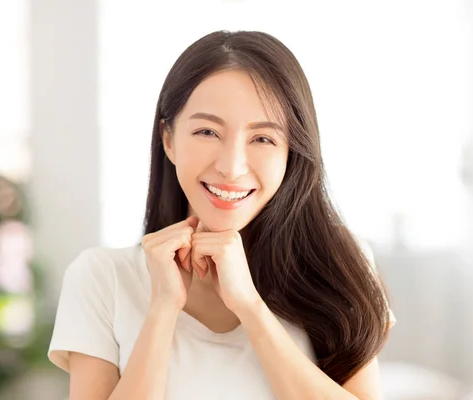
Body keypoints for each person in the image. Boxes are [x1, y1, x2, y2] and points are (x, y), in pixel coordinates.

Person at [48, 30, 395, 400]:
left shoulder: (339, 262)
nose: (231, 167)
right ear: (168, 139)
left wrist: (249, 306)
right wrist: (163, 308)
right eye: (207, 131)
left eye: (263, 138)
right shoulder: (102, 277)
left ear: (291, 151)